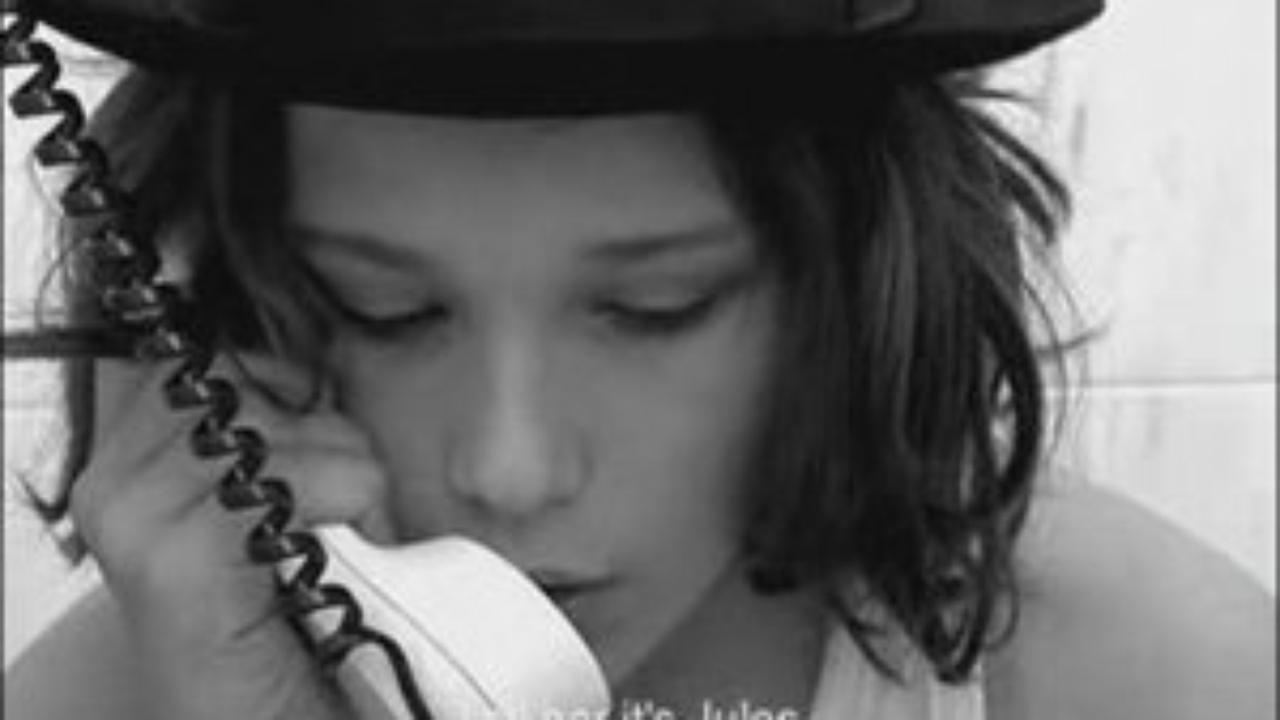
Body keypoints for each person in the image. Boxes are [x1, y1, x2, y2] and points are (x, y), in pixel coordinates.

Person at [3, 1, 1273, 719]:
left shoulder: (1149, 674)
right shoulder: (132, 690)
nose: (510, 469)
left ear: (851, 285)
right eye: (382, 308)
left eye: (658, 308)